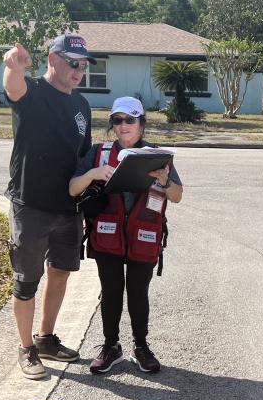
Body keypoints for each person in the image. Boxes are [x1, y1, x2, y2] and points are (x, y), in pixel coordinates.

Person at [3, 33, 95, 380]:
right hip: (31, 205)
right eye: (73, 63)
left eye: (83, 66)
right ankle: (25, 348)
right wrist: (13, 67)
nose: (79, 71)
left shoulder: (82, 105)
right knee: (27, 280)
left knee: (60, 272)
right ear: (53, 60)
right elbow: (13, 87)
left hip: (68, 207)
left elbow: (83, 157)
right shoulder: (33, 94)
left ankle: (45, 339)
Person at [69, 96, 183, 375]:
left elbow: (177, 196)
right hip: (107, 234)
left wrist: (164, 181)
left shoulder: (158, 156)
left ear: (141, 124)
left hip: (144, 236)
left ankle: (140, 346)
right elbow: (73, 188)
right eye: (117, 120)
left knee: (138, 293)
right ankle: (111, 346)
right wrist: (94, 173)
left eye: (130, 120)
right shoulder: (98, 153)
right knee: (110, 292)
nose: (123, 126)